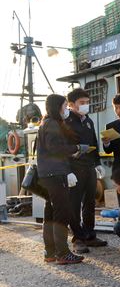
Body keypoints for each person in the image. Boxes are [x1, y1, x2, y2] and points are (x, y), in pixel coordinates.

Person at [37, 94, 86, 265]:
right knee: (61, 213)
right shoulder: (52, 123)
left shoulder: (45, 122)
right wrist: (77, 148)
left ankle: (50, 252)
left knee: (50, 213)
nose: (66, 110)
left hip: (47, 175)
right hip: (56, 174)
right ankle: (63, 253)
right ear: (57, 107)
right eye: (65, 106)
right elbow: (55, 148)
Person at [65, 88, 107, 254]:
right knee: (74, 204)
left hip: (89, 167)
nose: (85, 106)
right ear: (71, 104)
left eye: (87, 102)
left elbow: (94, 143)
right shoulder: (66, 122)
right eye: (82, 103)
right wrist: (67, 170)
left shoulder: (88, 121)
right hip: (74, 168)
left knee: (90, 202)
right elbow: (62, 148)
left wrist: (97, 163)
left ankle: (89, 235)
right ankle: (77, 239)